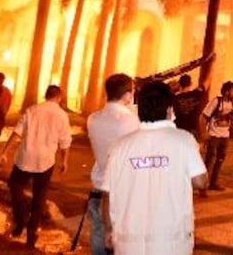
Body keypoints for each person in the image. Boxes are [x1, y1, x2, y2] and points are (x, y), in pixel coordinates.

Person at [101, 80, 206, 255]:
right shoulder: (183, 140)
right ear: (169, 109)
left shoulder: (120, 147)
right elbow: (201, 181)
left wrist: (108, 230)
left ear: (139, 109)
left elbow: (107, 194)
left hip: (128, 242)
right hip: (171, 241)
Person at [0, 84, 72, 248]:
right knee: (39, 197)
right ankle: (31, 234)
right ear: (59, 97)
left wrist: (5, 152)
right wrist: (64, 161)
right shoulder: (61, 115)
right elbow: (65, 141)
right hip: (45, 161)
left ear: (45, 95)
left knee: (14, 185)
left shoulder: (31, 110)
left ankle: (20, 221)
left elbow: (17, 132)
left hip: (25, 157)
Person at [86, 73, 140, 255]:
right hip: (122, 191)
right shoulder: (131, 120)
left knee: (98, 231)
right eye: (132, 91)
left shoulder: (92, 119)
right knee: (121, 239)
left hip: (99, 185)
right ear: (127, 94)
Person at [200, 80, 233, 192]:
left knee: (220, 159)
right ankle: (202, 185)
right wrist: (204, 133)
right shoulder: (216, 101)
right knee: (209, 160)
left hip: (225, 136)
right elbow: (204, 116)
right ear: (227, 92)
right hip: (214, 135)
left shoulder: (232, 103)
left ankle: (213, 183)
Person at [173, 74, 207, 140]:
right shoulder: (197, 94)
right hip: (193, 128)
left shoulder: (174, 98)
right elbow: (206, 84)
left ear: (179, 84)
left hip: (179, 129)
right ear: (190, 83)